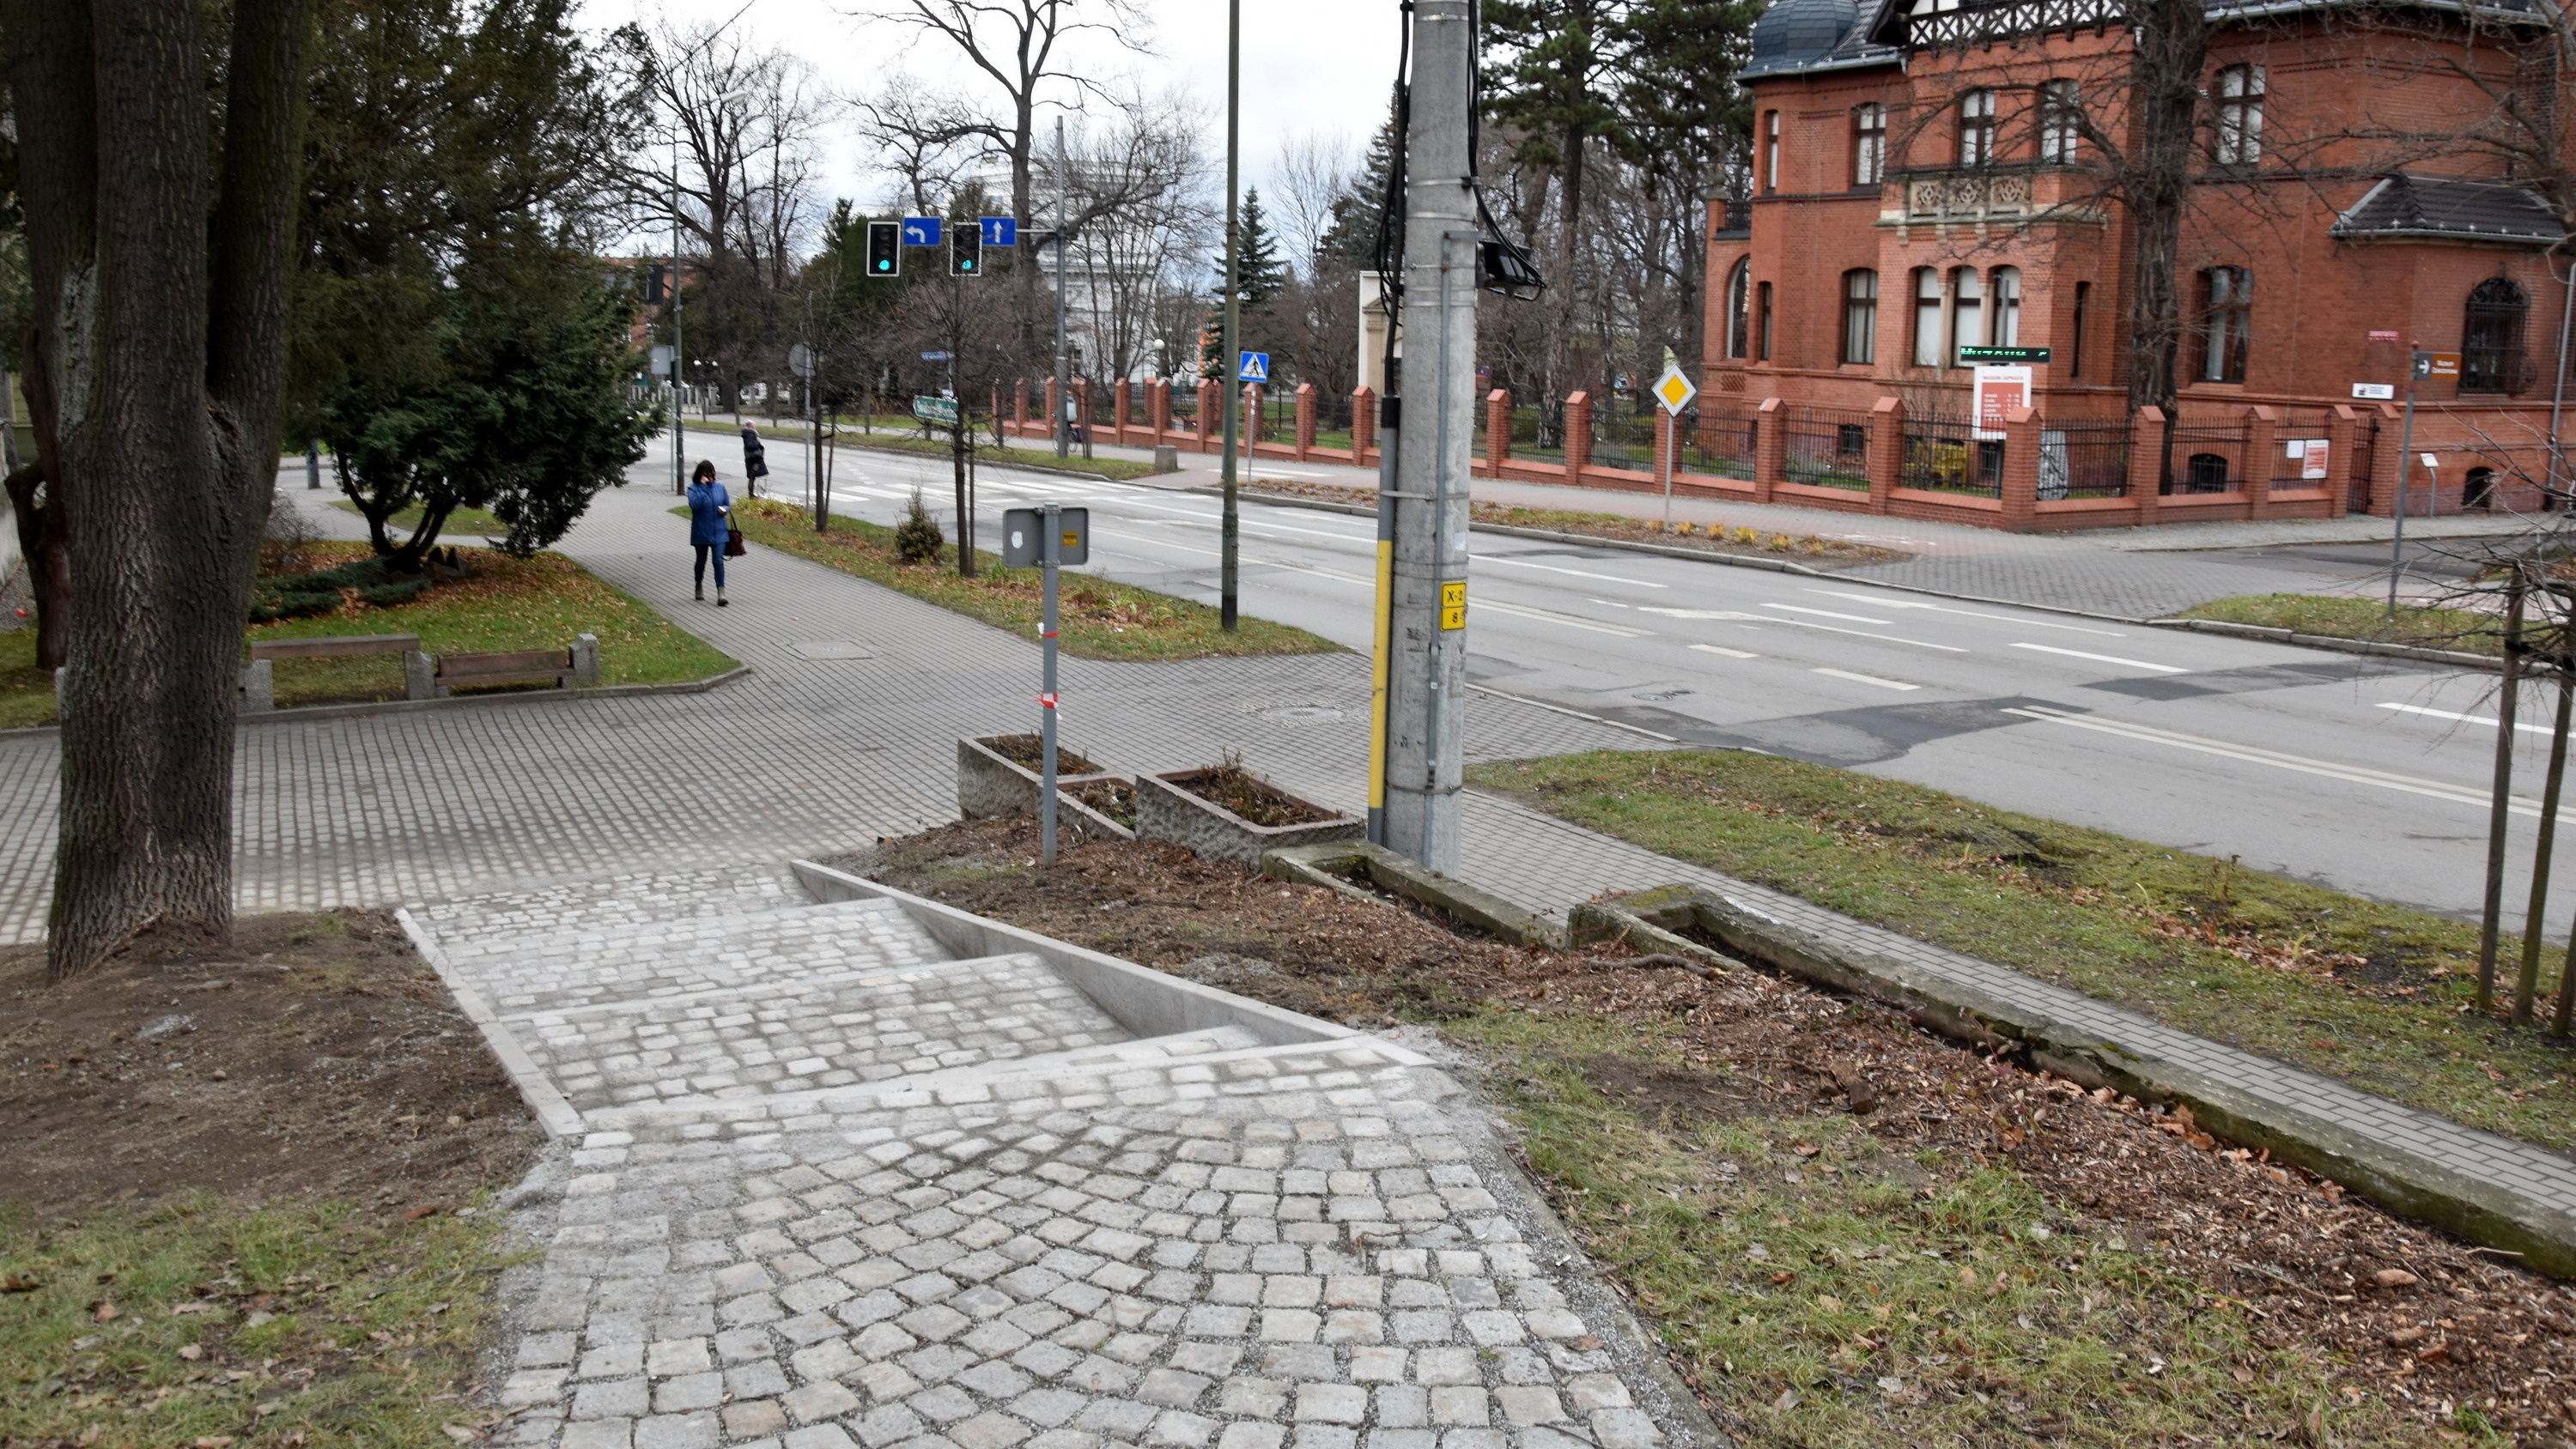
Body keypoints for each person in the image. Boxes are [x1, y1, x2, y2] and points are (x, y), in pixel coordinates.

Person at [686, 459, 732, 605]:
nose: (710, 478)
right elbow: (695, 504)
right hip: (701, 531)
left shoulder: (720, 487)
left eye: (711, 474)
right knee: (701, 561)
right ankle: (698, 584)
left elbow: (727, 504)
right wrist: (704, 488)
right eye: (706, 475)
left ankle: (721, 593)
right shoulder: (693, 489)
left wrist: (724, 509)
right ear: (700, 475)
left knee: (718, 561)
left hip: (719, 532)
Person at [739, 422, 768, 499]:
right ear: (751, 426)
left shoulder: (748, 434)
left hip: (752, 460)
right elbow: (750, 446)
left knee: (753, 477)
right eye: (754, 425)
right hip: (752, 460)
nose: (755, 426)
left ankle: (752, 493)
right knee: (752, 477)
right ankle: (751, 494)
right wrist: (757, 442)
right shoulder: (749, 435)